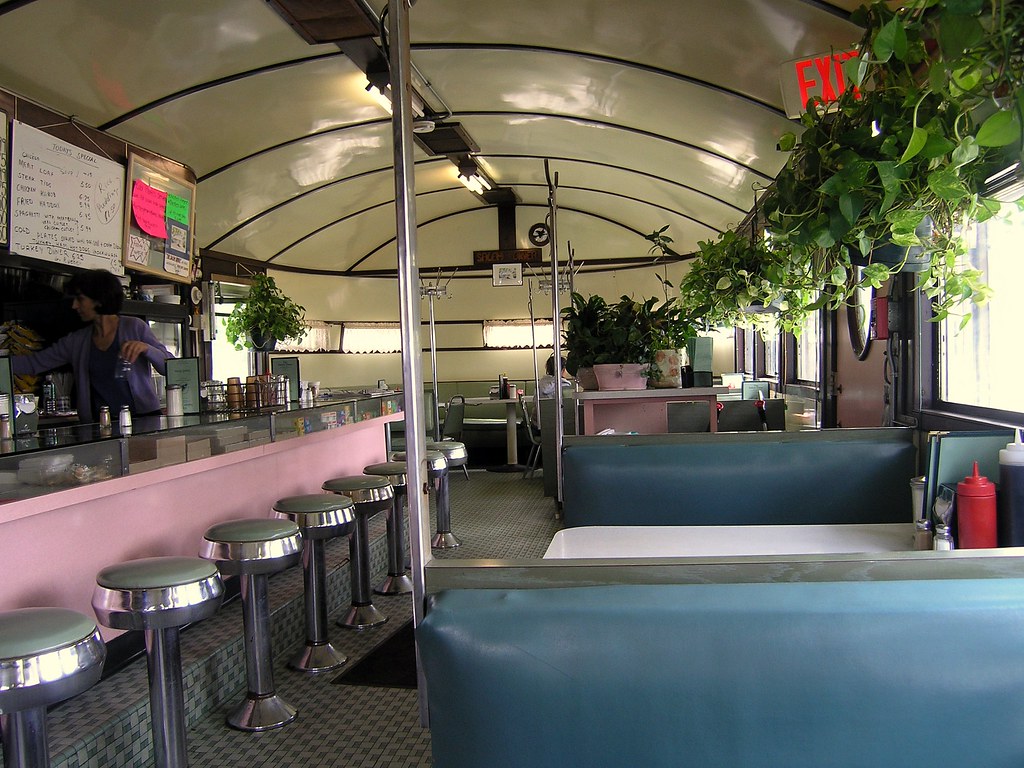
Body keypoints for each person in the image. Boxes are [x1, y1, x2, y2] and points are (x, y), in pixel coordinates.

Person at [12, 269, 174, 421]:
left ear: (98, 300)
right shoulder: (77, 341)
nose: (75, 305)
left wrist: (146, 348)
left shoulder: (134, 327)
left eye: (80, 299)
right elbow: (34, 363)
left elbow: (169, 367)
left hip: (145, 421)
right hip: (102, 425)